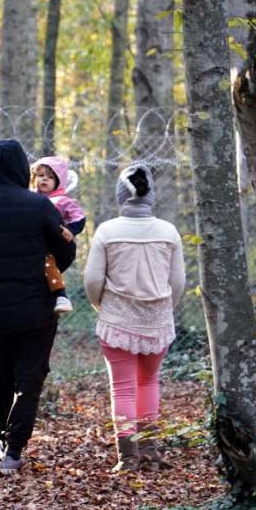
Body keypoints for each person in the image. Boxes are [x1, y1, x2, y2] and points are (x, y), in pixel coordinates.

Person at [0, 139, 76, 474]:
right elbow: (64, 250)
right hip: (38, 309)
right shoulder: (39, 206)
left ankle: (1, 437)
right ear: (23, 166)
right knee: (29, 380)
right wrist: (45, 272)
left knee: (0, 377)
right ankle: (14, 451)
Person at [83, 163, 185, 472]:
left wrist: (100, 306)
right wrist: (167, 308)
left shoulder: (107, 231)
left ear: (120, 196)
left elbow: (91, 280)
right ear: (150, 195)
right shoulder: (168, 232)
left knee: (123, 387)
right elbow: (178, 281)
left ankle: (127, 456)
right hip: (157, 321)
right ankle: (150, 450)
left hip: (116, 320)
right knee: (149, 382)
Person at [30, 157, 87, 314]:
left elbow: (79, 217)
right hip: (32, 242)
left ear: (59, 181)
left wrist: (71, 230)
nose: (45, 179)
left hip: (52, 243)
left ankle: (60, 295)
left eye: (50, 177)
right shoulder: (29, 199)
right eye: (41, 176)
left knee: (48, 263)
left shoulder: (62, 200)